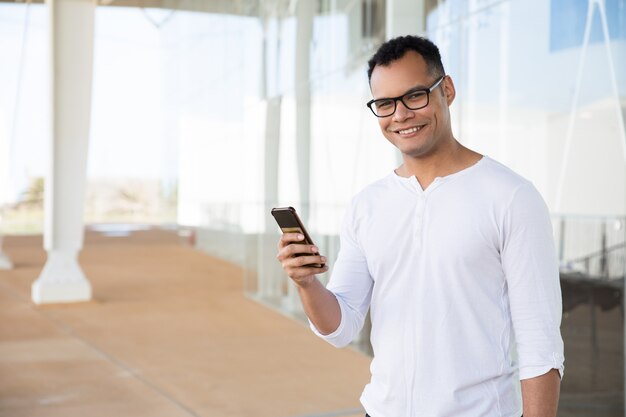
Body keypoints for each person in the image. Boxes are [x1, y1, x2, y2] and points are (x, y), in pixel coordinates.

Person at [276, 35, 564, 417]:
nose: (400, 115)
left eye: (415, 96)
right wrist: (307, 283)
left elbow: (540, 342)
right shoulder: (367, 205)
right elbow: (340, 326)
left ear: (447, 89)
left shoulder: (511, 196)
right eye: (385, 103)